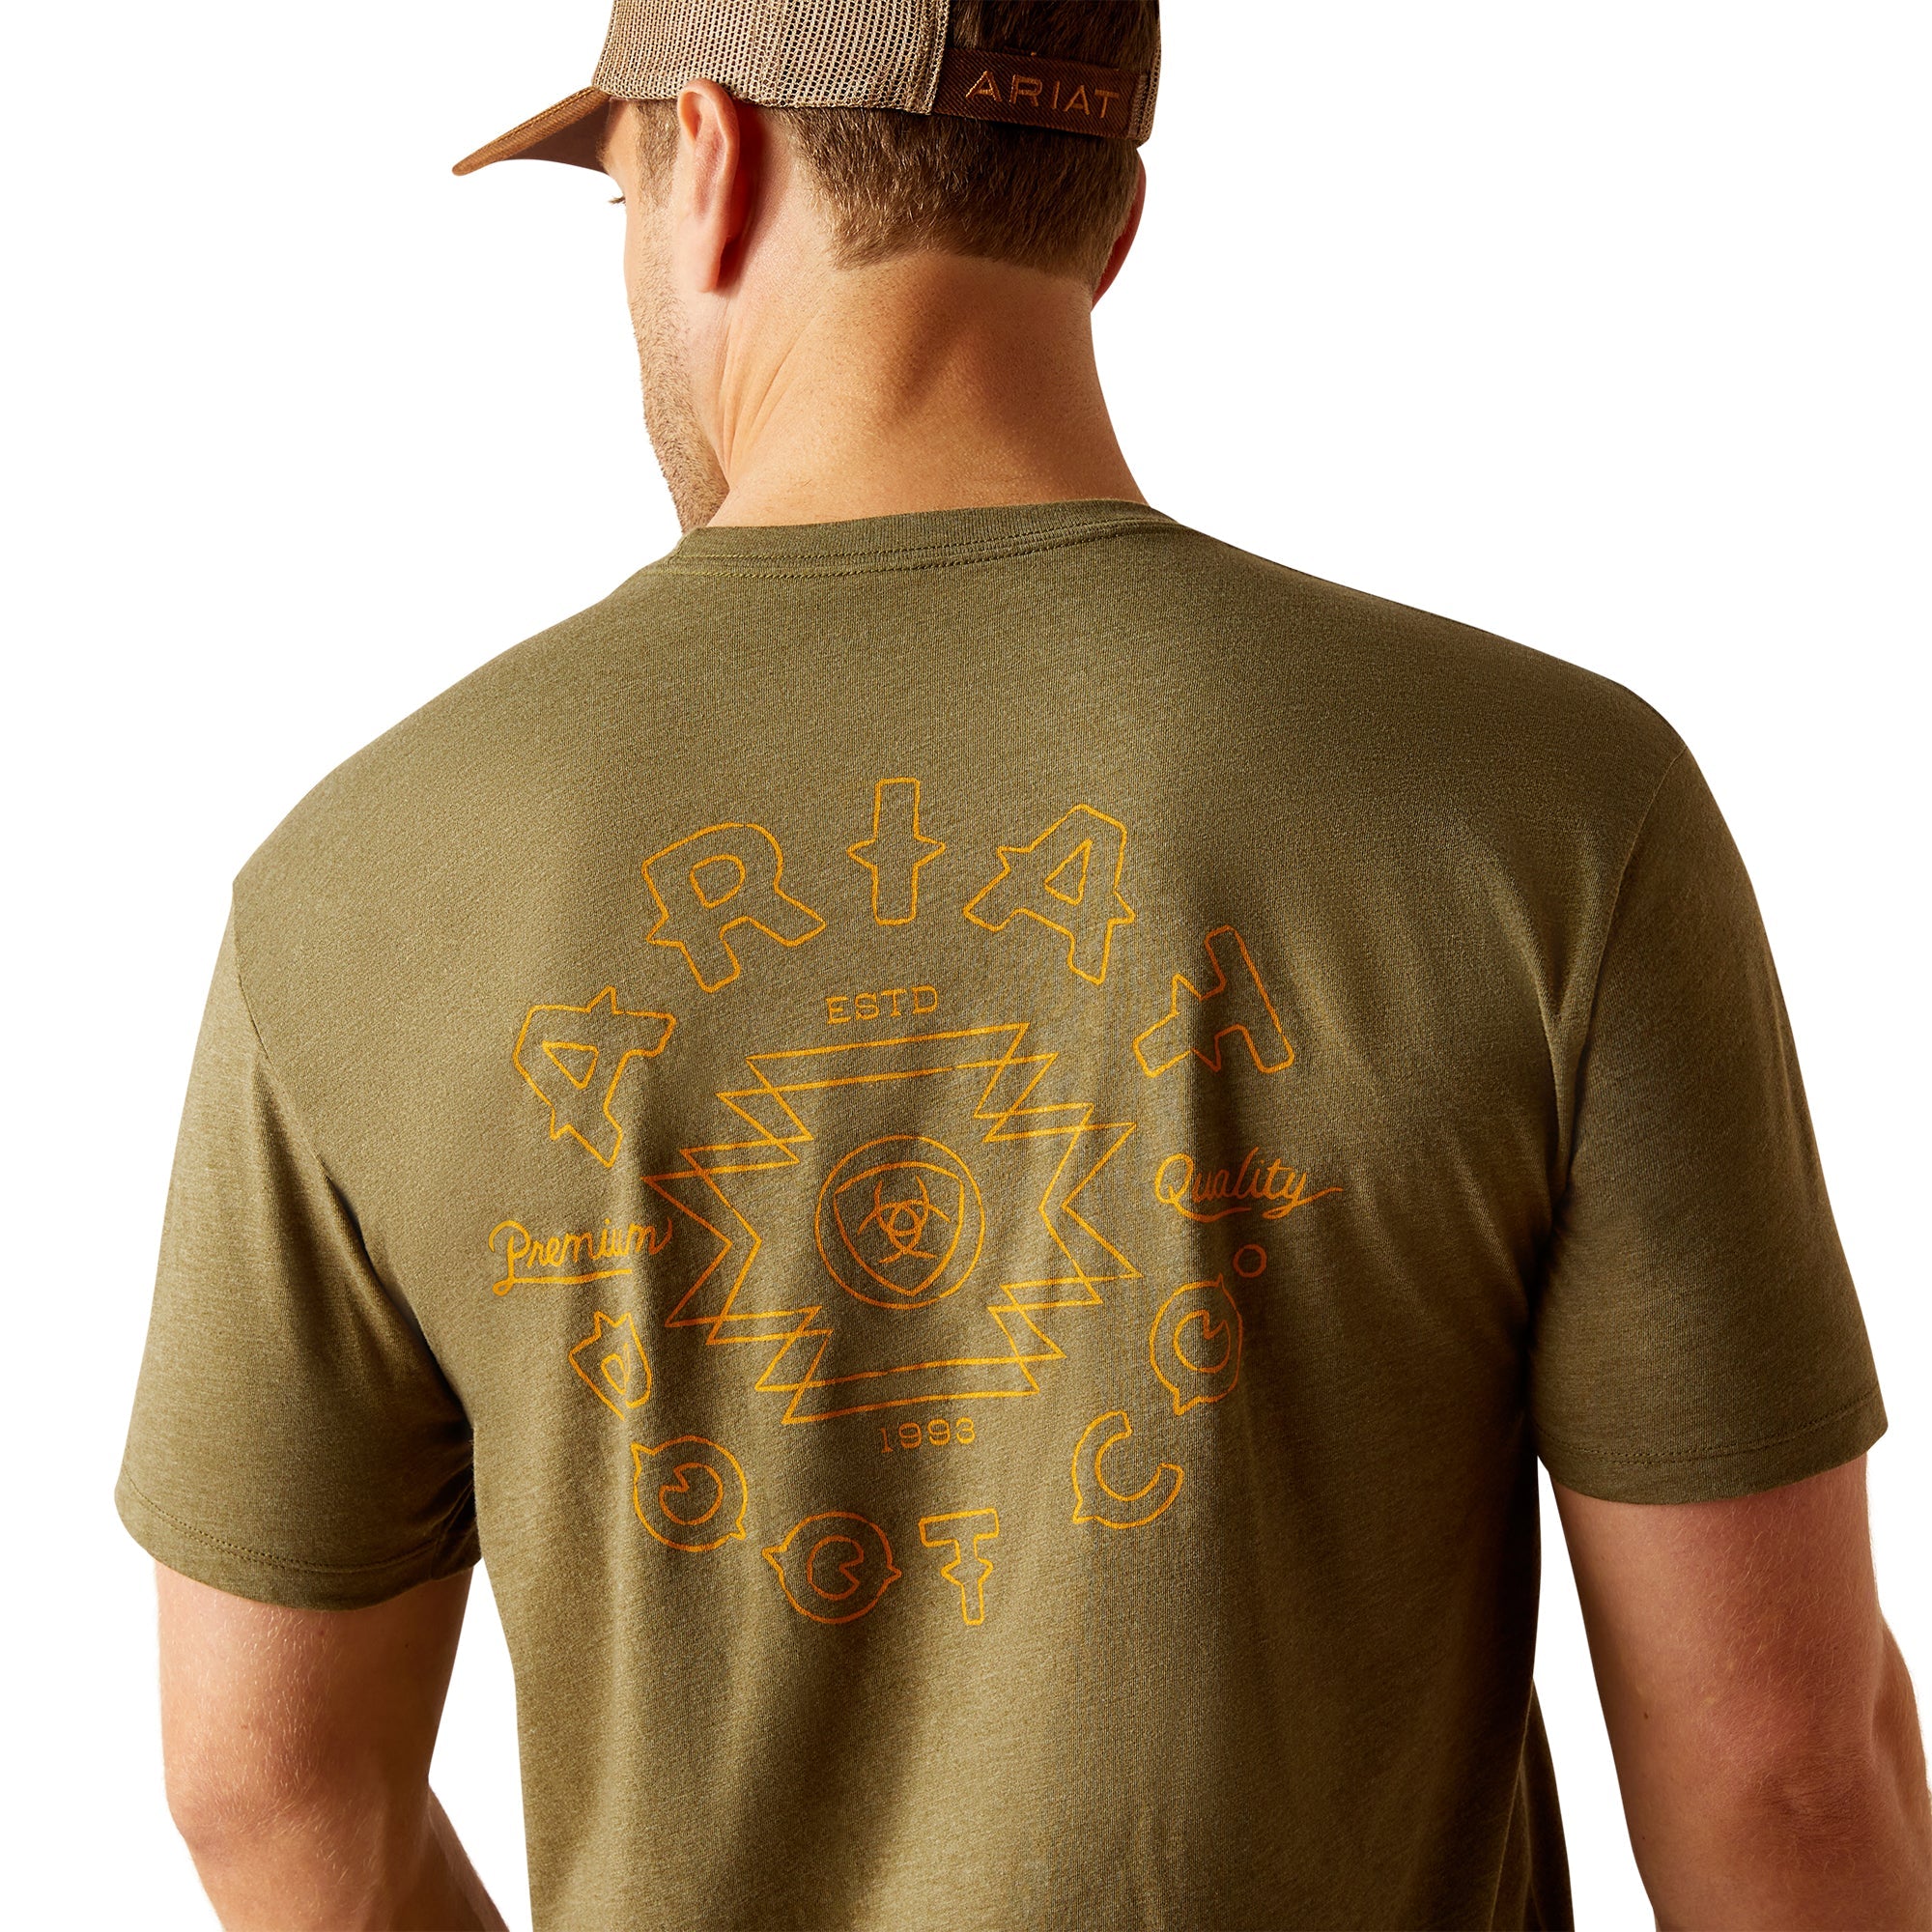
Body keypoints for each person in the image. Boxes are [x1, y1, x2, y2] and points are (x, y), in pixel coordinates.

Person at [118, 3, 1930, 1927]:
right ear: (1110, 219)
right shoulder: (1554, 812)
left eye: (620, 189)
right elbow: (1780, 1773)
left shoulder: (354, 888)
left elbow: (267, 1786)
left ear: (710, 159)